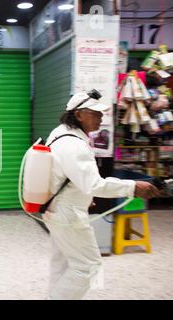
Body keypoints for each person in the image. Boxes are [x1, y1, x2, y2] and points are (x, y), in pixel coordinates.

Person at [43, 90, 160, 300]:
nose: (101, 118)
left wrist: (83, 196)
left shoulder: (59, 133)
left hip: (55, 208)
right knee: (89, 267)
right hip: (67, 214)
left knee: (64, 263)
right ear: (79, 114)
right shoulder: (74, 144)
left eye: (101, 113)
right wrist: (133, 187)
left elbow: (67, 177)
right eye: (95, 113)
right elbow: (95, 184)